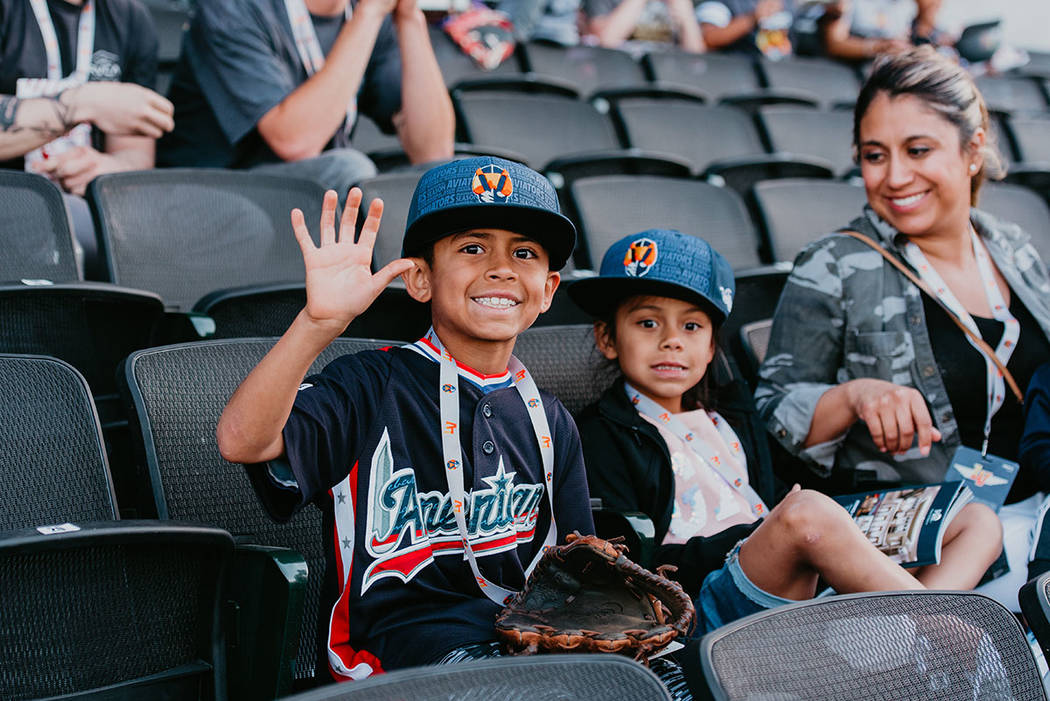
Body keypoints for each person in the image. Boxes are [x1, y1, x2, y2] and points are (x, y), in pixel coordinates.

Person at [215, 156, 596, 682]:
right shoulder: (368, 385)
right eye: (472, 247)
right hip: (395, 656)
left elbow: (575, 567)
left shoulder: (550, 418)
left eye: (524, 253)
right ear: (420, 278)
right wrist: (317, 325)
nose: (501, 268)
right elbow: (241, 441)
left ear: (548, 290)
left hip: (527, 640)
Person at [570, 229, 1001, 639]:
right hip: (700, 600)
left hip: (787, 562)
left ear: (711, 348)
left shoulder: (731, 412)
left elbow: (773, 492)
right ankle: (945, 634)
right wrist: (765, 531)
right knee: (806, 513)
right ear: (608, 338)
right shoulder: (600, 434)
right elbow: (628, 565)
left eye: (691, 327)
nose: (671, 341)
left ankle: (918, 631)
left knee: (975, 517)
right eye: (647, 323)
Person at [755, 46, 1050, 609]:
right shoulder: (834, 263)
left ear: (972, 150)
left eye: (918, 150)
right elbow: (772, 410)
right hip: (913, 545)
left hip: (1033, 516)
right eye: (874, 155)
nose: (894, 177)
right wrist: (858, 395)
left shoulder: (1014, 248)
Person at [159, 0, 454, 197]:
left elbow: (434, 152)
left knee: (456, 177)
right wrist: (370, 15)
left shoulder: (365, 12)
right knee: (349, 171)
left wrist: (409, 18)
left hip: (304, 192)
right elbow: (294, 140)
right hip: (212, 196)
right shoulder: (232, 9)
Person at [1, 0, 174, 278]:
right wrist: (84, 102)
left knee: (243, 223)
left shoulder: (130, 16)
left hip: (90, 202)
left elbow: (135, 156)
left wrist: (106, 169)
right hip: (13, 193)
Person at [818, 0, 938, 61]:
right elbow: (835, 44)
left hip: (899, 60)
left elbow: (925, 30)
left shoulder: (908, 4)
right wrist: (878, 47)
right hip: (857, 62)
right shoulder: (849, 3)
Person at [583, 0, 705, 54]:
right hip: (621, 72)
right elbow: (605, 41)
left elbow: (696, 54)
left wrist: (686, 18)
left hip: (669, 76)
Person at [696, 0, 793, 59]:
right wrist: (752, 19)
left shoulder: (788, 3)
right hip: (736, 75)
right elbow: (708, 39)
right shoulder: (727, 2)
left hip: (782, 76)